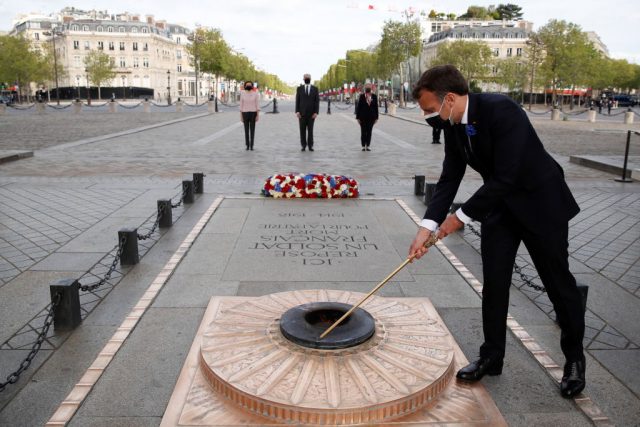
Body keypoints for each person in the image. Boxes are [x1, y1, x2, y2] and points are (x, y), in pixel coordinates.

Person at [408, 65, 585, 399]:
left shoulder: (502, 110)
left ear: (449, 99)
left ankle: (575, 359)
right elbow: (450, 177)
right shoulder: (452, 125)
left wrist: (458, 218)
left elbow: (508, 175)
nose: (429, 117)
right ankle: (492, 355)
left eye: (430, 109)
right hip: (501, 207)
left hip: (540, 202)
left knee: (557, 283)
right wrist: (426, 227)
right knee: (494, 282)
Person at [295, 73, 319, 151]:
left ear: (310, 79)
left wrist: (316, 112)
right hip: (301, 114)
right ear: (303, 79)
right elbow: (297, 100)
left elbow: (317, 101)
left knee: (310, 131)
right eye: (305, 78)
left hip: (311, 114)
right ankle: (303, 145)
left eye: (308, 77)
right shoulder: (299, 88)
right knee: (302, 130)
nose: (307, 79)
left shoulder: (315, 89)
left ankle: (310, 145)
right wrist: (297, 111)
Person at [355, 84, 379, 151]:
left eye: (369, 88)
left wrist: (377, 118)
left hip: (372, 117)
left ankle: (368, 145)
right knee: (363, 132)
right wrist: (358, 118)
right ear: (365, 89)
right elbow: (359, 107)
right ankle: (363, 146)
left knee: (369, 131)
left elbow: (376, 107)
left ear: (371, 89)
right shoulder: (362, 96)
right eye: (367, 88)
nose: (368, 89)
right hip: (362, 118)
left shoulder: (374, 96)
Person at [239, 81, 260, 150]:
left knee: (252, 130)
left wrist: (257, 115)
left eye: (250, 85)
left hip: (253, 113)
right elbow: (241, 105)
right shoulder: (242, 93)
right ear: (245, 86)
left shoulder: (255, 93)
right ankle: (247, 145)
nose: (248, 86)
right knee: (246, 130)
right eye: (247, 85)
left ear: (252, 86)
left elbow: (257, 104)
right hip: (244, 113)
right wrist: (241, 116)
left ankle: (252, 145)